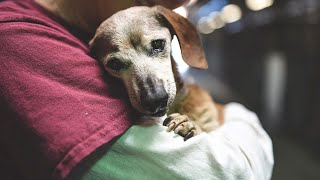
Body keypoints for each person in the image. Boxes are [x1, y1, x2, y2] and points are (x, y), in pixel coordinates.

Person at [0, 0, 274, 179]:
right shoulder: (18, 38)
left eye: (157, 46)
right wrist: (242, 117)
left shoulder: (81, 32)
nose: (152, 92)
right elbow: (230, 173)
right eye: (117, 64)